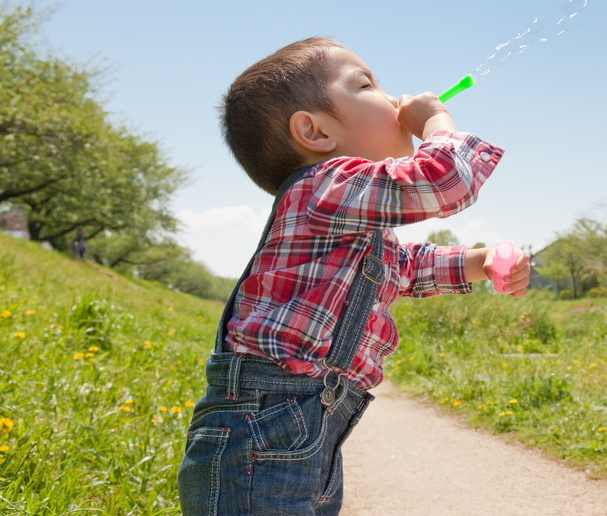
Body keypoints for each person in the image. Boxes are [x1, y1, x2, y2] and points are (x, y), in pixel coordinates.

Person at [178, 37, 530, 516]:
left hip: (305, 423)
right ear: (315, 132)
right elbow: (444, 178)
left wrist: (480, 262)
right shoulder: (321, 187)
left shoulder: (348, 220)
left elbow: (405, 267)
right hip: (263, 423)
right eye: (368, 85)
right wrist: (434, 119)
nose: (392, 100)